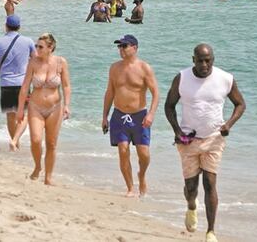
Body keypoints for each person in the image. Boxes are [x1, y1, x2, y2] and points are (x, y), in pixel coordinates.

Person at [164, 44, 246, 242]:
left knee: (210, 183)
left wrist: (229, 124)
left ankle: (211, 232)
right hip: (188, 140)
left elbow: (240, 104)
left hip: (214, 139)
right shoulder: (182, 78)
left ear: (213, 60)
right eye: (200, 60)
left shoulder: (225, 79)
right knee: (191, 188)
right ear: (193, 59)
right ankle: (191, 206)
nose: (204, 64)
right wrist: (176, 131)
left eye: (208, 60)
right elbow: (169, 105)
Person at [102, 34, 159, 197]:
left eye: (124, 46)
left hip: (139, 116)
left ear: (134, 48)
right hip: (119, 115)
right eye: (119, 46)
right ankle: (130, 187)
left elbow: (156, 93)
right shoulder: (114, 68)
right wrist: (104, 116)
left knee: (144, 154)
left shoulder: (144, 68)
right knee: (123, 150)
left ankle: (141, 175)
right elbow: (110, 92)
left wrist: (151, 114)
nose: (121, 49)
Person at [10, 32, 71, 185]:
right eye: (36, 46)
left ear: (51, 47)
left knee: (51, 143)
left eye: (40, 46)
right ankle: (38, 166)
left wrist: (67, 106)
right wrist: (19, 110)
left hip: (55, 108)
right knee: (36, 140)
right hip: (35, 107)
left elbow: (66, 86)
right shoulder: (33, 62)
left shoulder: (60, 62)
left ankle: (48, 177)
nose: (36, 48)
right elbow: (24, 87)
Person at [0, 14, 36, 141]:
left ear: (6, 26)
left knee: (10, 116)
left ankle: (15, 142)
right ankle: (15, 140)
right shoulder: (28, 41)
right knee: (24, 115)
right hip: (23, 84)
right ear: (19, 27)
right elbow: (36, 60)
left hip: (6, 84)